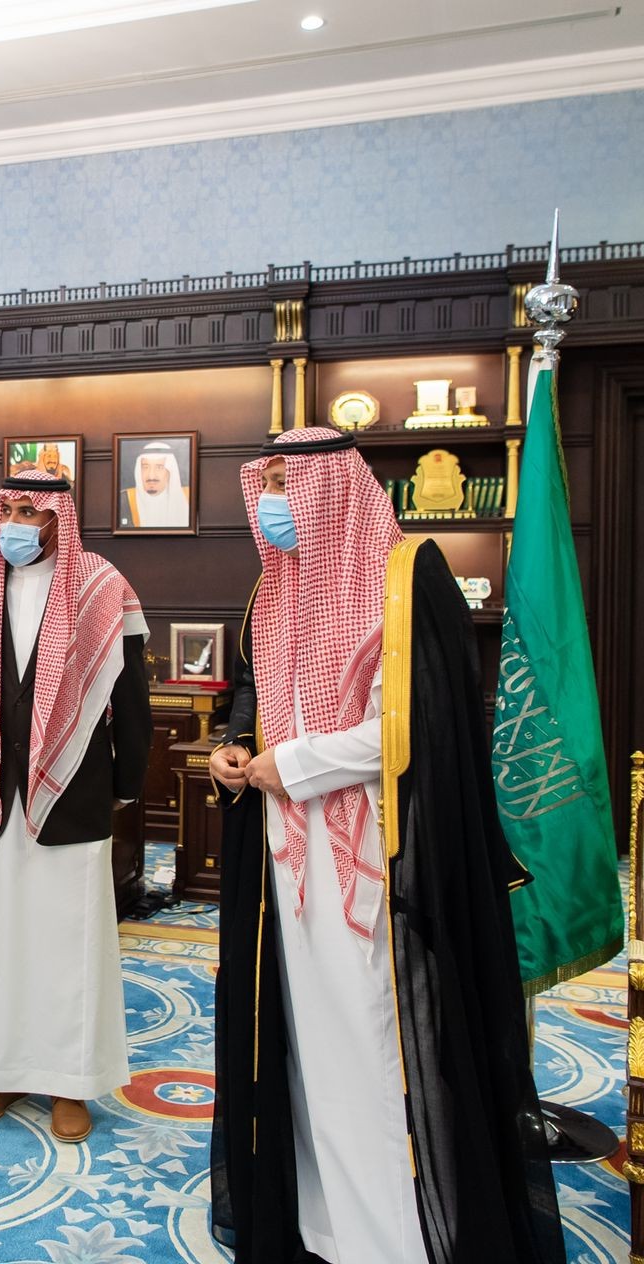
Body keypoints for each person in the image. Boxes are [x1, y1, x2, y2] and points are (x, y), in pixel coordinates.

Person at [208, 428, 563, 1264]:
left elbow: (416, 727)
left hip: (375, 852)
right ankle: (322, 1224)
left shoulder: (407, 578)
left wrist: (292, 764)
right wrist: (235, 747)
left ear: (334, 486)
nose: (274, 504)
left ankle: (394, 1238)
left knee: (376, 1043)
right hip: (284, 856)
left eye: (289, 485)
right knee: (302, 1042)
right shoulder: (272, 586)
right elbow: (256, 693)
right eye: (268, 485)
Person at [0, 470, 152, 1143]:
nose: (17, 524)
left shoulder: (102, 586)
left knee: (67, 945)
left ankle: (69, 1083)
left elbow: (131, 697)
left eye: (32, 512)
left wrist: (126, 782)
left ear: (61, 518)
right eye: (10, 510)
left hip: (73, 793)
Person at [123, 440, 189, 527]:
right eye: (145, 467)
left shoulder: (189, 497)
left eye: (159, 467)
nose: (151, 476)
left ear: (170, 471)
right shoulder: (124, 500)